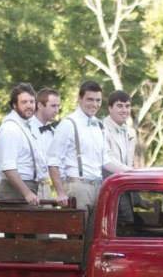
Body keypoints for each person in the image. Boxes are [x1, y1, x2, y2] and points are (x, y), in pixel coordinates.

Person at [48, 80, 121, 211]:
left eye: (98, 100)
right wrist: (60, 192)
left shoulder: (99, 125)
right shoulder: (68, 124)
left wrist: (131, 171)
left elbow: (106, 160)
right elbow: (53, 161)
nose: (94, 104)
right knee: (79, 231)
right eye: (90, 100)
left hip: (99, 186)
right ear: (80, 99)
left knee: (96, 231)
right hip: (77, 186)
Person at [0, 83, 46, 205]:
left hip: (28, 186)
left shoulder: (26, 125)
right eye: (24, 102)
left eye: (31, 102)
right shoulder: (10, 128)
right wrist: (27, 193)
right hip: (15, 190)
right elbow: (8, 167)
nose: (29, 106)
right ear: (14, 105)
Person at [32, 88, 61, 201]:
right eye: (53, 106)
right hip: (30, 187)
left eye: (58, 106)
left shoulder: (53, 132)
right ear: (39, 105)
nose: (57, 110)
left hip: (47, 188)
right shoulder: (26, 128)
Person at [103, 90, 138, 174]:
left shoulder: (131, 132)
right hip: (105, 184)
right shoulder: (100, 129)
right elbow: (107, 160)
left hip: (125, 183)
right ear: (110, 108)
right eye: (120, 106)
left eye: (127, 106)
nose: (124, 110)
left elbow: (130, 162)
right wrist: (130, 172)